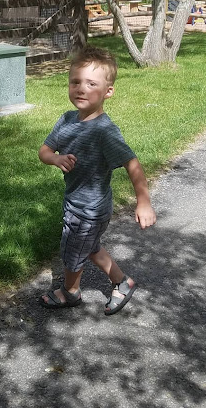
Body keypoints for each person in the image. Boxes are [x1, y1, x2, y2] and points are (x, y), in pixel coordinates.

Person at [38, 45, 156, 315]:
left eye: (91, 84)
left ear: (108, 91)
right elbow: (44, 151)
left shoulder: (104, 131)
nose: (81, 89)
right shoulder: (66, 120)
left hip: (89, 209)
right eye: (75, 82)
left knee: (72, 252)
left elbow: (132, 163)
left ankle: (70, 292)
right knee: (89, 247)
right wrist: (55, 158)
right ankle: (122, 282)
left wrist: (143, 202)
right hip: (75, 201)